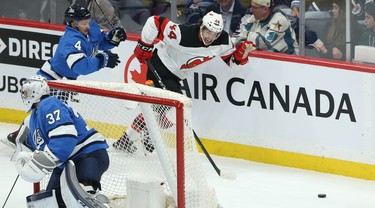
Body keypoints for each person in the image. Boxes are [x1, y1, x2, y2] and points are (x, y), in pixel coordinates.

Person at [112, 11, 255, 152]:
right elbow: (154, 22)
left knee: (159, 110)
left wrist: (241, 56)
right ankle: (142, 134)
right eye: (208, 32)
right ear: (202, 27)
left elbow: (233, 64)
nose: (211, 37)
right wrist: (145, 44)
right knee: (174, 108)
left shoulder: (223, 42)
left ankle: (131, 137)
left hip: (175, 76)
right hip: (159, 66)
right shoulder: (181, 34)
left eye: (215, 34)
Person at [3, 4, 126, 148]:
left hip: (64, 82)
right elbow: (80, 66)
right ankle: (19, 137)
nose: (88, 25)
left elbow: (98, 42)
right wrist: (102, 61)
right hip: (50, 80)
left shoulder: (89, 27)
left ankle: (20, 137)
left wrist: (112, 38)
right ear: (73, 24)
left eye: (88, 21)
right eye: (83, 23)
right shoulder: (71, 40)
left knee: (50, 112)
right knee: (44, 111)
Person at [13, 75, 110, 207]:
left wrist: (40, 163)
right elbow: (35, 147)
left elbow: (65, 138)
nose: (23, 96)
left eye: (25, 92)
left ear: (35, 91)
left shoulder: (49, 104)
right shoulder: (34, 118)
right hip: (66, 164)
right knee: (49, 203)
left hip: (86, 155)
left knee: (82, 200)